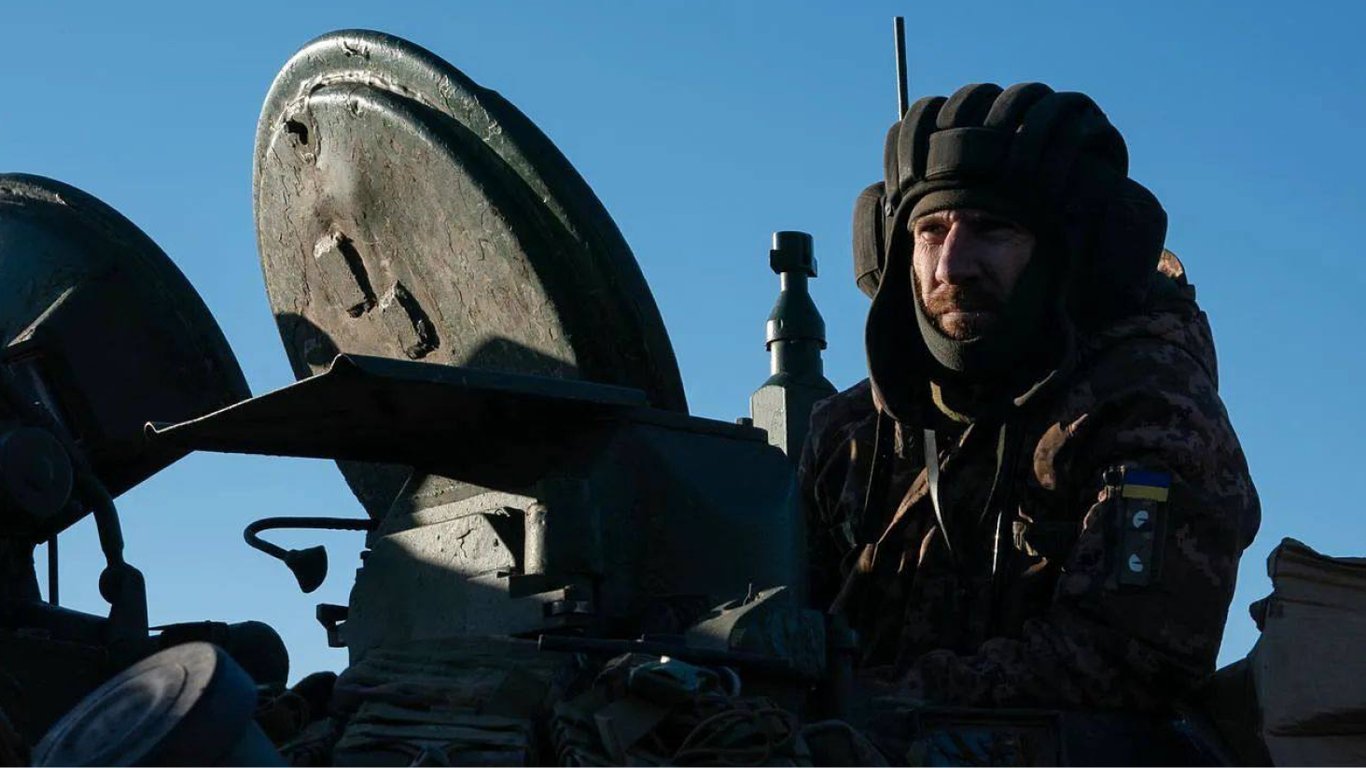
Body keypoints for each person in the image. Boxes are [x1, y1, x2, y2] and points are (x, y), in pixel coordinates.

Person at [799, 83, 1260, 716]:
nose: (952, 266)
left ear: (1065, 255)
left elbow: (1125, 663)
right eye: (930, 232)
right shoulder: (852, 434)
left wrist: (866, 709)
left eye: (992, 229)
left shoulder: (1147, 411)